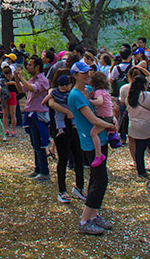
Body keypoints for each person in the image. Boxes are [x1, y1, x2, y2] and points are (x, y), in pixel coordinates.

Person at [68, 61, 116, 235]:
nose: (87, 75)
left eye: (88, 72)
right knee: (101, 180)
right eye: (83, 73)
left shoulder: (87, 91)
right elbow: (93, 120)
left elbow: (101, 111)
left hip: (101, 139)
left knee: (96, 180)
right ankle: (84, 220)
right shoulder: (75, 96)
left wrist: (111, 121)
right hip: (90, 142)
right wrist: (110, 126)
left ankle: (94, 215)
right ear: (75, 75)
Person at [47, 72, 86, 203]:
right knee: (63, 159)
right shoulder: (54, 93)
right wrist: (68, 111)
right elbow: (50, 104)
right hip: (62, 129)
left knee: (78, 157)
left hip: (74, 128)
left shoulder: (75, 93)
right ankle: (62, 190)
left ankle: (79, 187)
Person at [16, 55, 51, 181]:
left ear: (37, 67)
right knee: (34, 143)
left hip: (39, 115)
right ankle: (38, 169)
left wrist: (21, 77)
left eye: (30, 65)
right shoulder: (32, 79)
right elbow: (21, 89)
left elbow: (32, 88)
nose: (27, 67)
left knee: (40, 143)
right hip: (30, 113)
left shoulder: (42, 80)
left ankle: (44, 171)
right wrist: (16, 78)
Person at [125, 74, 150, 177]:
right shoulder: (147, 96)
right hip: (149, 127)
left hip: (135, 128)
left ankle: (141, 171)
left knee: (139, 150)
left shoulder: (129, 97)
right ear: (144, 85)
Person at [88, 71, 119, 168]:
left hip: (104, 118)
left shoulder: (98, 92)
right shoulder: (105, 91)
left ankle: (98, 154)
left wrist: (90, 101)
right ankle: (113, 135)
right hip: (109, 117)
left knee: (93, 133)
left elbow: (99, 102)